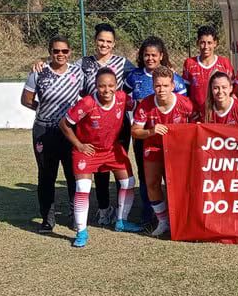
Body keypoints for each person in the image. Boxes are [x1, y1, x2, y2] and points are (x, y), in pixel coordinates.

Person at [34, 24, 136, 228]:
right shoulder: (83, 63)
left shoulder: (123, 63)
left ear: (114, 44)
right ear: (95, 41)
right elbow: (61, 67)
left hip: (117, 125)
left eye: (108, 41)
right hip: (91, 124)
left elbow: (142, 76)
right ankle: (103, 209)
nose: (104, 44)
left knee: (118, 168)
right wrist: (39, 64)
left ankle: (120, 215)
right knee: (97, 170)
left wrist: (165, 67)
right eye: (101, 40)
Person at [60, 68, 141, 248]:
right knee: (83, 187)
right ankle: (81, 231)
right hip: (88, 150)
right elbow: (64, 124)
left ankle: (121, 221)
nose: (106, 90)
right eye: (102, 86)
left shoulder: (122, 98)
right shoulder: (87, 103)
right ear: (96, 86)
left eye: (111, 85)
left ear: (116, 86)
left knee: (128, 182)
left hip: (112, 149)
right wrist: (79, 145)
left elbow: (140, 105)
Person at [21, 36, 83, 234]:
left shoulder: (78, 72)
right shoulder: (39, 72)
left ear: (70, 52)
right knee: (47, 175)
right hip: (44, 130)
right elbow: (26, 99)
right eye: (56, 51)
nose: (60, 55)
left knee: (73, 174)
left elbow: (89, 97)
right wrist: (46, 111)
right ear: (50, 52)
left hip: (69, 131)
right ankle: (47, 218)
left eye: (64, 51)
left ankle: (75, 215)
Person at [123, 37, 187, 226]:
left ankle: (176, 215)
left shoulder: (174, 78)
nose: (150, 58)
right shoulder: (134, 76)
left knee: (172, 176)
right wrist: (135, 105)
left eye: (154, 55)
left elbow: (183, 106)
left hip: (170, 136)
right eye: (146, 55)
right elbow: (123, 96)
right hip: (144, 131)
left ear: (161, 56)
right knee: (146, 176)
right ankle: (149, 214)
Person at [131, 66, 196, 239]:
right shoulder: (145, 104)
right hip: (153, 148)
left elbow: (197, 127)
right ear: (153, 86)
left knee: (178, 186)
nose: (162, 89)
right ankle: (163, 221)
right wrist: (151, 131)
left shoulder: (185, 104)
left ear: (173, 86)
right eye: (158, 85)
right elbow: (135, 131)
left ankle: (181, 220)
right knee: (152, 184)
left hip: (178, 150)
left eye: (165, 85)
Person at [182, 25, 233, 114]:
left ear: (215, 43)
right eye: (202, 42)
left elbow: (232, 90)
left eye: (209, 43)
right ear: (197, 43)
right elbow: (186, 92)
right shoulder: (189, 63)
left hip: (218, 114)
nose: (206, 46)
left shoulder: (224, 63)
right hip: (197, 114)